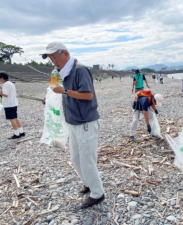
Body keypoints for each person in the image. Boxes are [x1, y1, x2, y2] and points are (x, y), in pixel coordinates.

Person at [41, 42, 104, 209]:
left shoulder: (79, 70)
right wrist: (51, 100)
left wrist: (65, 92)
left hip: (86, 123)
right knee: (76, 159)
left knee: (87, 161)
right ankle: (88, 184)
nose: (53, 61)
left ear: (66, 54)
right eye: (50, 58)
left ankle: (98, 193)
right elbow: (62, 94)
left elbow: (88, 95)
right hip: (73, 122)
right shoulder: (62, 72)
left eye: (55, 56)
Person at [0, 72, 25, 139]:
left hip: (9, 104)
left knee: (12, 119)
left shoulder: (6, 84)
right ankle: (21, 132)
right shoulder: (11, 83)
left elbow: (6, 95)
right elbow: (7, 90)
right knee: (16, 118)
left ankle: (16, 134)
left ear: (2, 78)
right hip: (14, 103)